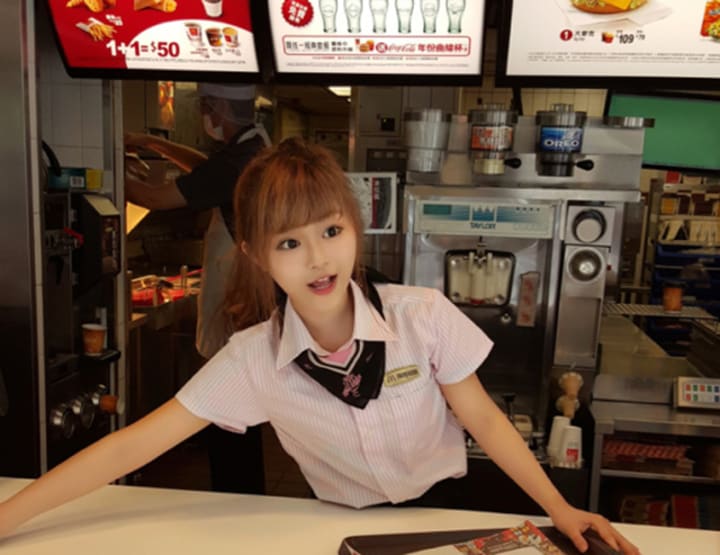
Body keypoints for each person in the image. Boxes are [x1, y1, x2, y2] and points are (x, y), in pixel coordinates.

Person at [0, 139, 639, 555]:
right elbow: (131, 445)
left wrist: (559, 507)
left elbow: (484, 419)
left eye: (330, 231)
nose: (318, 259)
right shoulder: (253, 358)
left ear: (354, 228)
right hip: (339, 522)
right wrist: (9, 518)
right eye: (288, 242)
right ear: (255, 254)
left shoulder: (421, 316)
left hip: (448, 509)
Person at [124, 82, 271, 495]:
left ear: (218, 107)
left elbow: (154, 198)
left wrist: (113, 167)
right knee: (238, 415)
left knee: (229, 415)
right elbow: (203, 167)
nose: (204, 114)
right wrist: (151, 142)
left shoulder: (237, 161)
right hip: (242, 298)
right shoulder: (252, 145)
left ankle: (236, 502)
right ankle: (242, 499)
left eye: (206, 106)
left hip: (236, 302)